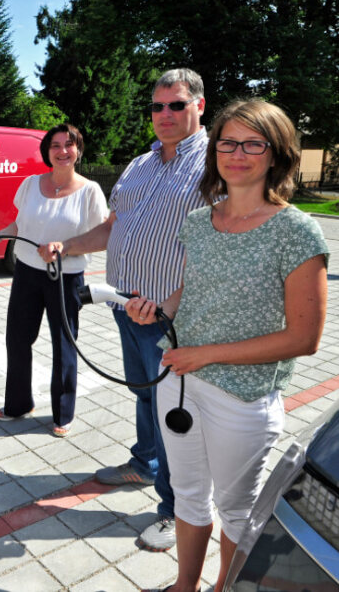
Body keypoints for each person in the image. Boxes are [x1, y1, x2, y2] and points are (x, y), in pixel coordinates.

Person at [126, 99, 327, 592]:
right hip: (179, 382)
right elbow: (192, 289)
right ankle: (184, 585)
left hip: (242, 397)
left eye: (252, 143)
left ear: (276, 154)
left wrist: (207, 354)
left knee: (237, 508)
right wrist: (159, 308)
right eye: (227, 142)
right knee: (190, 496)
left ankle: (226, 588)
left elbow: (305, 338)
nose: (237, 154)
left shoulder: (296, 230)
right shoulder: (199, 221)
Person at [39, 68, 209, 551]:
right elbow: (112, 227)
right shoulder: (141, 164)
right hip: (124, 304)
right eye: (157, 106)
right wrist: (66, 245)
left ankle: (178, 513)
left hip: (174, 317)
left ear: (199, 104)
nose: (165, 115)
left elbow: (222, 245)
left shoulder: (217, 164)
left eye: (176, 105)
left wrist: (172, 305)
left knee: (175, 412)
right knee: (143, 395)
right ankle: (145, 464)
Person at [0, 124, 107, 437]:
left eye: (69, 145)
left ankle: (63, 413)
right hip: (26, 272)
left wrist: (63, 248)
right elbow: (21, 223)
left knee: (64, 345)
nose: (62, 151)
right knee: (18, 339)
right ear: (47, 151)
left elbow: (102, 237)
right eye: (55, 145)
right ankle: (18, 404)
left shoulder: (90, 191)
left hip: (66, 277)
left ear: (78, 150)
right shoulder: (29, 184)